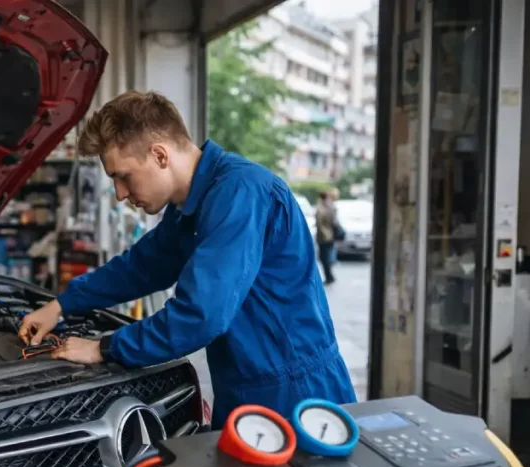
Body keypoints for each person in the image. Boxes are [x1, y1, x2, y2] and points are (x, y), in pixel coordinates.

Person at [18, 91, 356, 429]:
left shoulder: (240, 193)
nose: (120, 193)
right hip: (243, 387)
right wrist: (61, 305)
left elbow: (200, 316)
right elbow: (141, 266)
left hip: (295, 396)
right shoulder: (190, 209)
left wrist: (104, 348)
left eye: (123, 176)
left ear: (160, 155)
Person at [314, 188, 340, 285]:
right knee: (327, 256)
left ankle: (329, 277)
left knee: (324, 257)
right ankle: (330, 276)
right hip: (330, 235)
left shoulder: (321, 208)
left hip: (324, 236)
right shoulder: (331, 207)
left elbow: (319, 223)